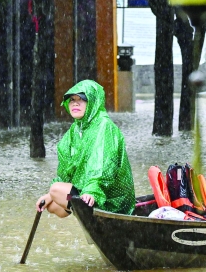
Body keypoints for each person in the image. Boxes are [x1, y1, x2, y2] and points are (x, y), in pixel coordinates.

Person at [36, 80, 136, 217]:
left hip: (111, 198)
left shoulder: (104, 126)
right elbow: (67, 169)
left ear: (93, 102)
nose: (75, 103)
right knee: (53, 206)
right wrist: (49, 196)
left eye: (81, 99)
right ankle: (80, 205)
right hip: (84, 192)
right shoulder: (75, 129)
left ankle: (85, 206)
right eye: (72, 99)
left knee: (56, 189)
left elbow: (105, 165)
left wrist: (93, 191)